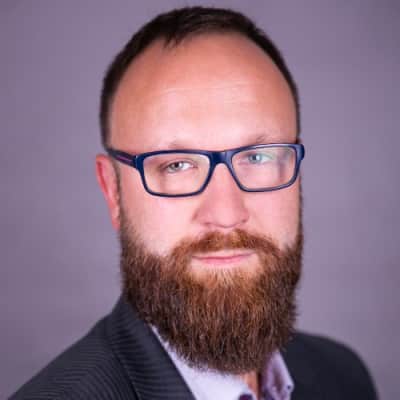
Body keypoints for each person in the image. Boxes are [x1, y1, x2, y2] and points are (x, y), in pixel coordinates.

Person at [10, 6, 377, 400]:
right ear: (113, 191)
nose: (226, 214)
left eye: (257, 157)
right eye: (177, 165)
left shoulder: (343, 377)